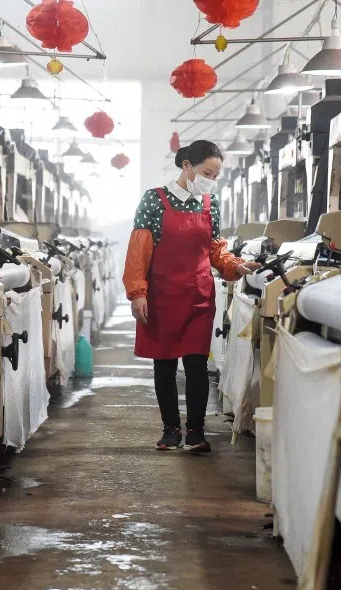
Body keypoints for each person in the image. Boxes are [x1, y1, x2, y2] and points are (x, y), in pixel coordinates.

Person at [123, 140, 260, 453]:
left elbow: (215, 250)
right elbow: (139, 250)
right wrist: (137, 292)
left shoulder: (210, 203)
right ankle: (170, 429)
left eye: (215, 175)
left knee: (197, 365)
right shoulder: (154, 201)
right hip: (161, 295)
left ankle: (196, 432)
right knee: (165, 365)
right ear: (187, 166)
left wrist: (237, 266)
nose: (210, 180)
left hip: (198, 296)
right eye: (206, 172)